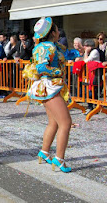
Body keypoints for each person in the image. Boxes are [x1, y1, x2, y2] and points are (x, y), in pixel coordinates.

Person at [24, 17, 71, 173]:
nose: (59, 32)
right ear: (52, 32)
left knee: (54, 122)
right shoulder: (47, 47)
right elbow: (42, 67)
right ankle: (59, 159)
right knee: (66, 123)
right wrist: (59, 72)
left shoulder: (48, 45)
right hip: (50, 86)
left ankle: (44, 153)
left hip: (48, 86)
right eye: (57, 30)